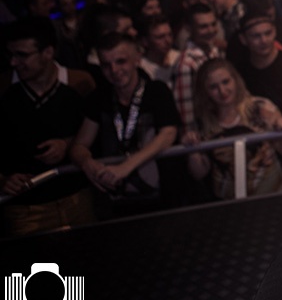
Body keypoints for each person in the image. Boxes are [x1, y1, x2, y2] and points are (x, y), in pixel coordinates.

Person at [0, 18, 94, 236]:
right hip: (26, 209)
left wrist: (67, 144)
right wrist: (2, 180)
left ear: (48, 53)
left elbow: (99, 134)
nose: (14, 62)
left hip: (76, 199)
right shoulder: (4, 91)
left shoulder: (78, 85)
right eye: (10, 55)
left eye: (22, 55)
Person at [70, 33, 180, 217]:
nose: (114, 70)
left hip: (162, 200)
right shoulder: (99, 97)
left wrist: (125, 167)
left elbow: (168, 134)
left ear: (137, 59)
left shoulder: (156, 91)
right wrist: (87, 163)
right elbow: (79, 146)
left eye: (121, 61)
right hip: (117, 204)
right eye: (106, 65)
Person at [184, 59, 282, 199]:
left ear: (235, 80)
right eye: (213, 87)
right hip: (227, 203)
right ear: (205, 91)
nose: (222, 91)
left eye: (226, 82)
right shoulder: (203, 122)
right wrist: (192, 149)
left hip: (272, 196)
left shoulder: (260, 108)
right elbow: (199, 173)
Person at [235, 12, 282, 123]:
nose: (263, 40)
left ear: (275, 32)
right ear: (243, 39)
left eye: (268, 33)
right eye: (256, 36)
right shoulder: (240, 72)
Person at [171, 3, 221, 134]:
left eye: (213, 24)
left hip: (218, 127)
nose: (211, 30)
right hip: (203, 134)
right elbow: (185, 111)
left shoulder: (214, 52)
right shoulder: (186, 64)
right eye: (203, 27)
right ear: (189, 28)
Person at [138, 16, 180, 87]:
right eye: (160, 37)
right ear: (145, 41)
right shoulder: (141, 68)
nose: (168, 41)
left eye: (170, 35)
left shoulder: (179, 59)